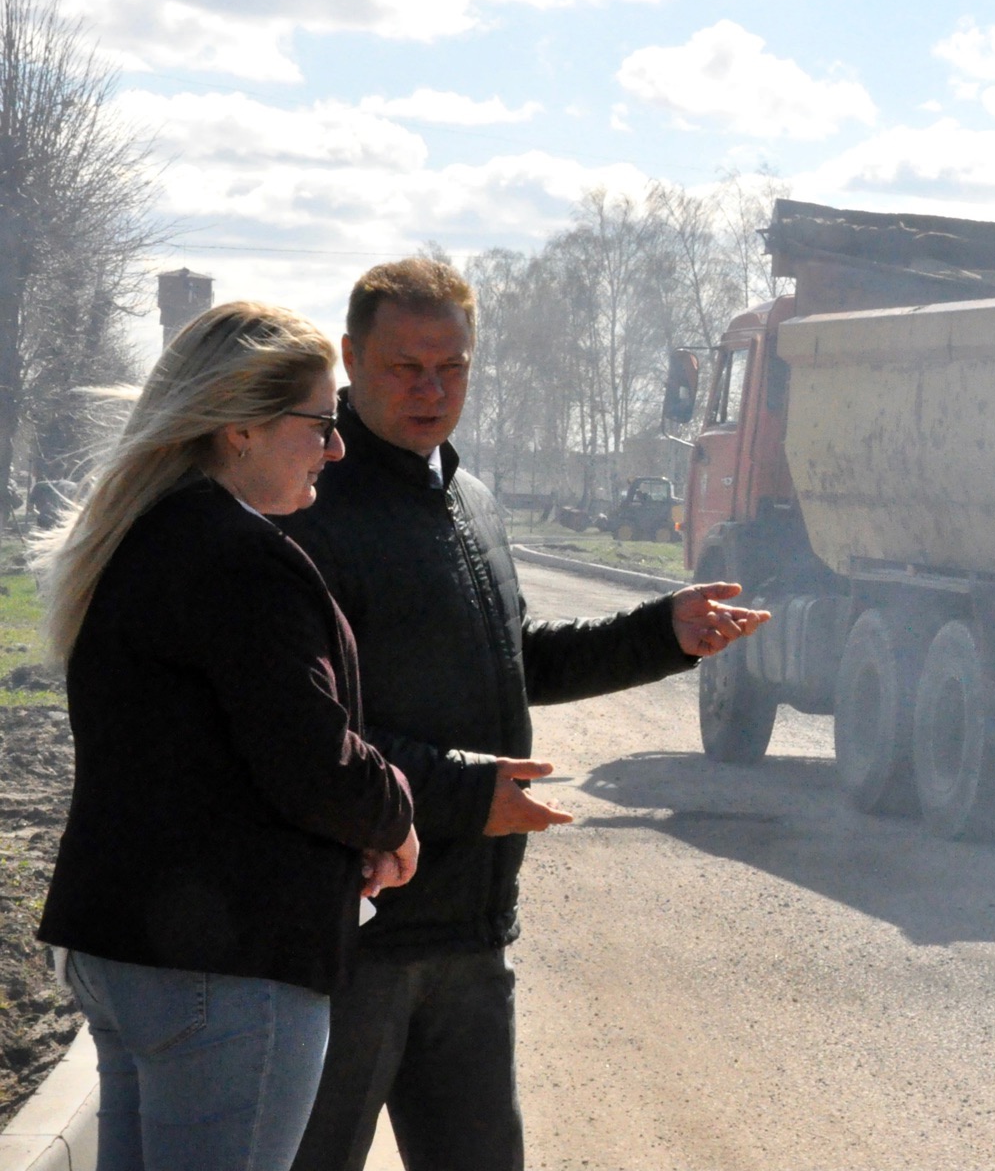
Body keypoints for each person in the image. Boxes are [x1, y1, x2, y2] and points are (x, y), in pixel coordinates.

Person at [281, 258, 767, 1171]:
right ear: (349, 357)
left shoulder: (471, 503)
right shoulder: (311, 509)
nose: (432, 389)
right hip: (354, 940)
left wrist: (663, 633)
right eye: (405, 366)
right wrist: (466, 797)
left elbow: (518, 661)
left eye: (452, 367)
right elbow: (306, 734)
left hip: (471, 936)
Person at [35, 302, 420, 1171]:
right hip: (229, 967)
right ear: (241, 426)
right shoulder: (241, 559)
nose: (338, 447)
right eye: (322, 422)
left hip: (130, 950)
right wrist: (394, 815)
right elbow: (312, 761)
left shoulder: (137, 539)